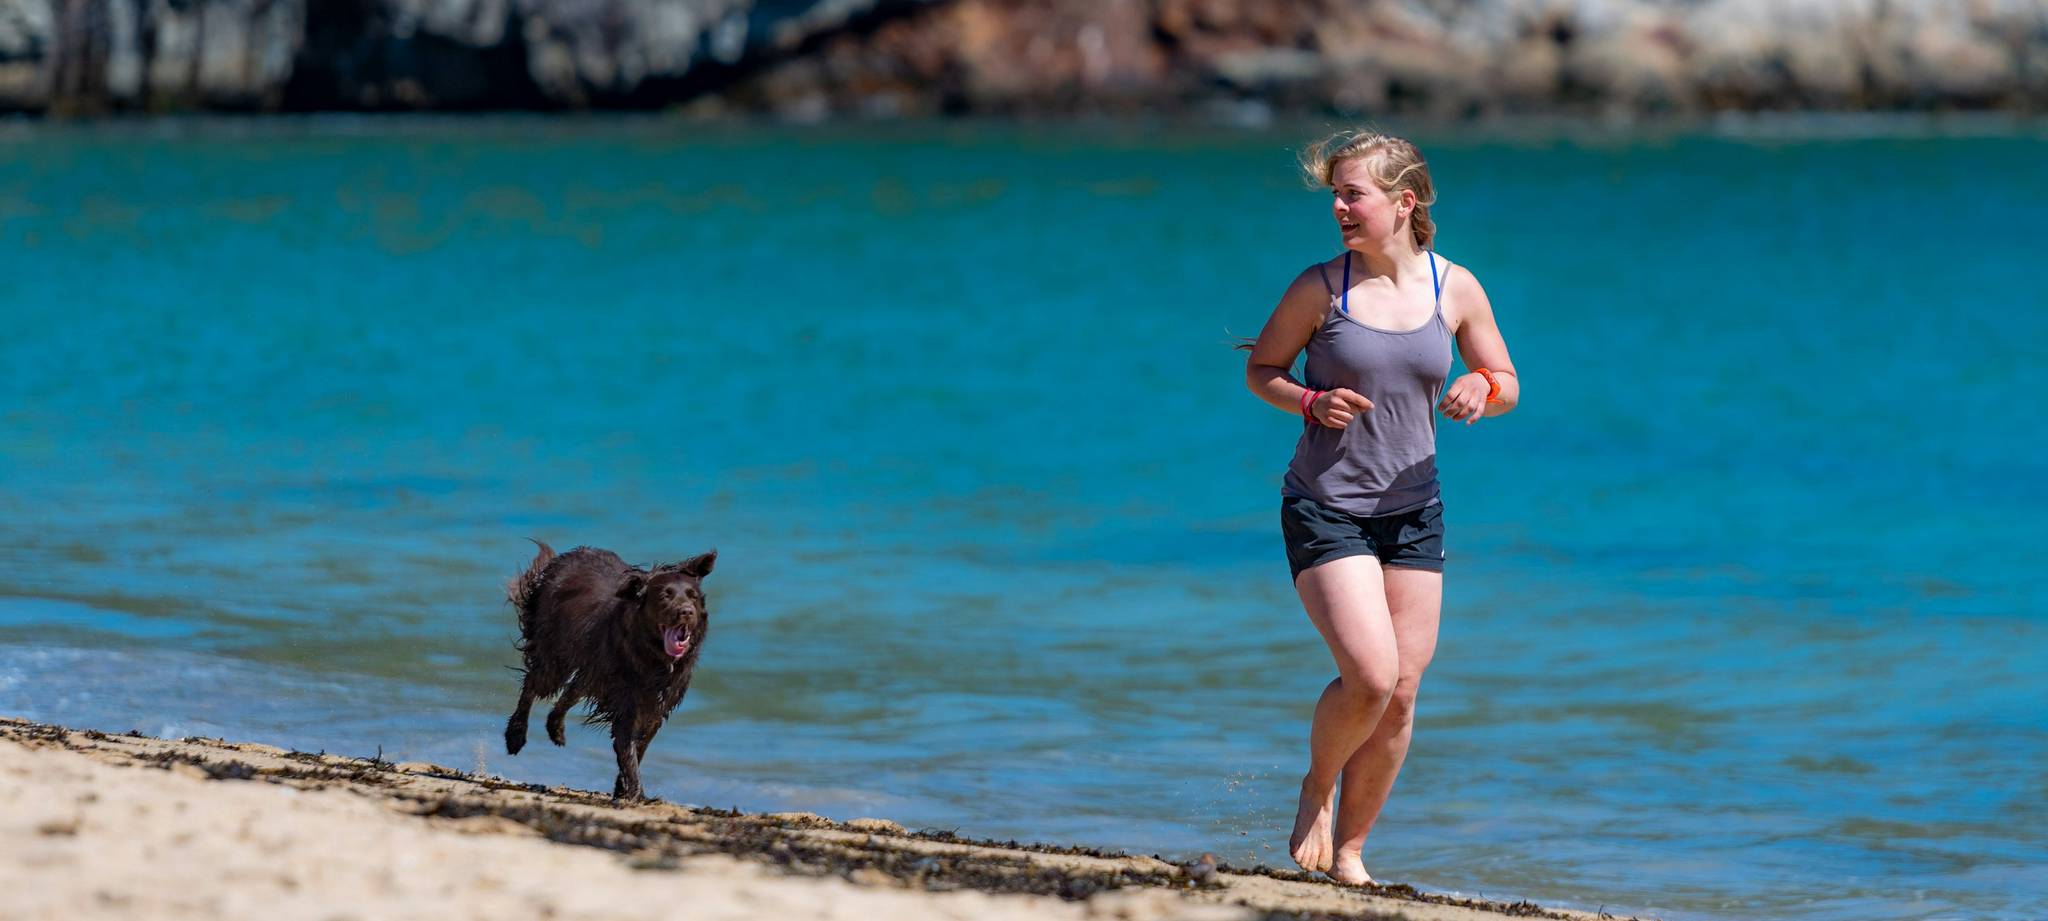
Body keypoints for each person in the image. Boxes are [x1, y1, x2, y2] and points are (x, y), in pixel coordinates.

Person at [1241, 130, 1519, 885]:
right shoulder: (1320, 288)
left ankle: (1352, 855)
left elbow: (1505, 380)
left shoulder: (1455, 287)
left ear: (1404, 202)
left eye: (1352, 194)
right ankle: (1316, 787)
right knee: (1369, 673)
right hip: (1326, 505)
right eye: (1335, 195)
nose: (1338, 208)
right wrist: (1309, 400)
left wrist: (1482, 387)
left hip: (1414, 510)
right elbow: (1263, 369)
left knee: (1400, 693)